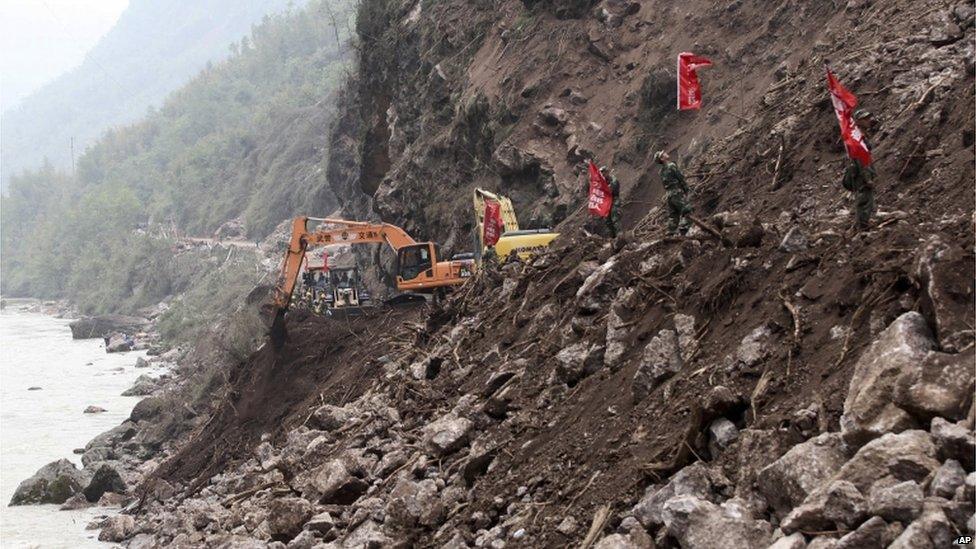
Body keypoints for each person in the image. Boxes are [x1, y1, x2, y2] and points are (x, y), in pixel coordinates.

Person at [841, 109, 876, 231]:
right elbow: (861, 159)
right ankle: (863, 227)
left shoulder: (860, 135)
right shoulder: (858, 137)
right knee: (864, 200)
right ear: (859, 121)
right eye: (865, 119)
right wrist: (867, 178)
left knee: (866, 199)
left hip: (861, 173)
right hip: (861, 175)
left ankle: (863, 224)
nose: (869, 121)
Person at [653, 150, 692, 235]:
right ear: (662, 159)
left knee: (673, 215)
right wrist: (686, 189)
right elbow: (680, 178)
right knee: (686, 210)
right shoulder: (671, 166)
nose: (666, 153)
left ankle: (671, 232)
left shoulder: (661, 172)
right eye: (663, 154)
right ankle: (684, 230)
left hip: (669, 195)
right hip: (676, 193)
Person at [600, 165, 621, 238]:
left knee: (615, 217)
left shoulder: (613, 179)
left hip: (614, 200)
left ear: (607, 172)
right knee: (607, 221)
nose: (603, 174)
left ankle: (620, 236)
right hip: (607, 203)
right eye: (602, 173)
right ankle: (613, 238)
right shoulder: (602, 183)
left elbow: (612, 188)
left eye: (604, 172)